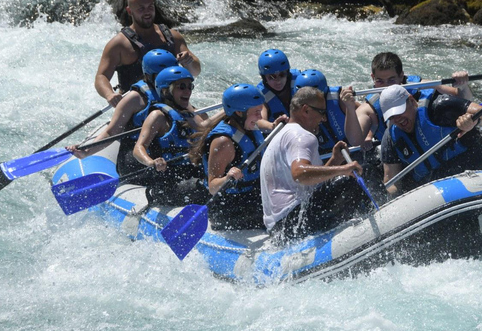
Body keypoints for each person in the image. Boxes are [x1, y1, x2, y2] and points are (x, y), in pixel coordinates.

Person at [260, 87, 370, 241]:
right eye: (321, 113)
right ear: (305, 110)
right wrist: (343, 169)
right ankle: (366, 236)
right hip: (294, 223)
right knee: (354, 180)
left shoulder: (282, 136)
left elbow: (309, 183)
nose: (324, 119)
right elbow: (300, 174)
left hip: (279, 230)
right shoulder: (301, 136)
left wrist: (335, 160)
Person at [378, 84, 482, 196]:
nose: (398, 119)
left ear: (412, 101)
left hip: (475, 164)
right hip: (438, 187)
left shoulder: (440, 107)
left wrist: (474, 120)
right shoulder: (390, 138)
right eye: (392, 116)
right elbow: (391, 182)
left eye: (400, 111)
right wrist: (394, 197)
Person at [68, 49, 178, 175]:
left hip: (164, 154)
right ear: (148, 75)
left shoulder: (177, 94)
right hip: (136, 157)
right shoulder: (134, 98)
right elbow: (111, 132)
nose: (168, 79)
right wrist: (86, 152)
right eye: (161, 74)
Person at [189, 84, 283, 231]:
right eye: (257, 112)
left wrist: (273, 125)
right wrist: (227, 177)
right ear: (239, 112)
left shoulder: (247, 124)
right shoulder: (223, 142)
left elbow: (260, 122)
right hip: (230, 207)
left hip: (252, 194)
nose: (260, 116)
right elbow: (213, 187)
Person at [95, 0, 201, 107]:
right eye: (141, 8)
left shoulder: (172, 37)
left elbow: (195, 71)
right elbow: (101, 76)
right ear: (129, 11)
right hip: (136, 110)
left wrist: (188, 61)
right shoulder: (119, 44)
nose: (147, 12)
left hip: (172, 105)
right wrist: (109, 94)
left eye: (150, 7)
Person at [133, 66, 221, 203]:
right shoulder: (158, 116)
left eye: (189, 86)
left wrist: (229, 110)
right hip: (168, 182)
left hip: (192, 173)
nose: (187, 91)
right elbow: (138, 149)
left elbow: (204, 128)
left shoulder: (189, 112)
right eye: (181, 87)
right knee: (204, 188)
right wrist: (152, 162)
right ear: (165, 91)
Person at [354, 52, 475, 145]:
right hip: (401, 154)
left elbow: (461, 97)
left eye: (391, 80)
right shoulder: (369, 107)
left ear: (401, 76)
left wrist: (463, 85)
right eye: (380, 81)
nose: (386, 86)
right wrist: (350, 108)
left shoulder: (420, 86)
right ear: (373, 78)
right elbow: (355, 139)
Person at [291, 69, 361, 154]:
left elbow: (363, 112)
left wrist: (368, 135)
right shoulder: (297, 111)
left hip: (351, 149)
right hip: (324, 155)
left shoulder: (340, 101)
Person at [255, 49, 301, 130]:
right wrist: (273, 125)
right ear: (264, 78)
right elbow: (259, 120)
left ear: (287, 73)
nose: (278, 81)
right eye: (271, 77)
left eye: (282, 75)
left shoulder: (300, 81)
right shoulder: (262, 94)